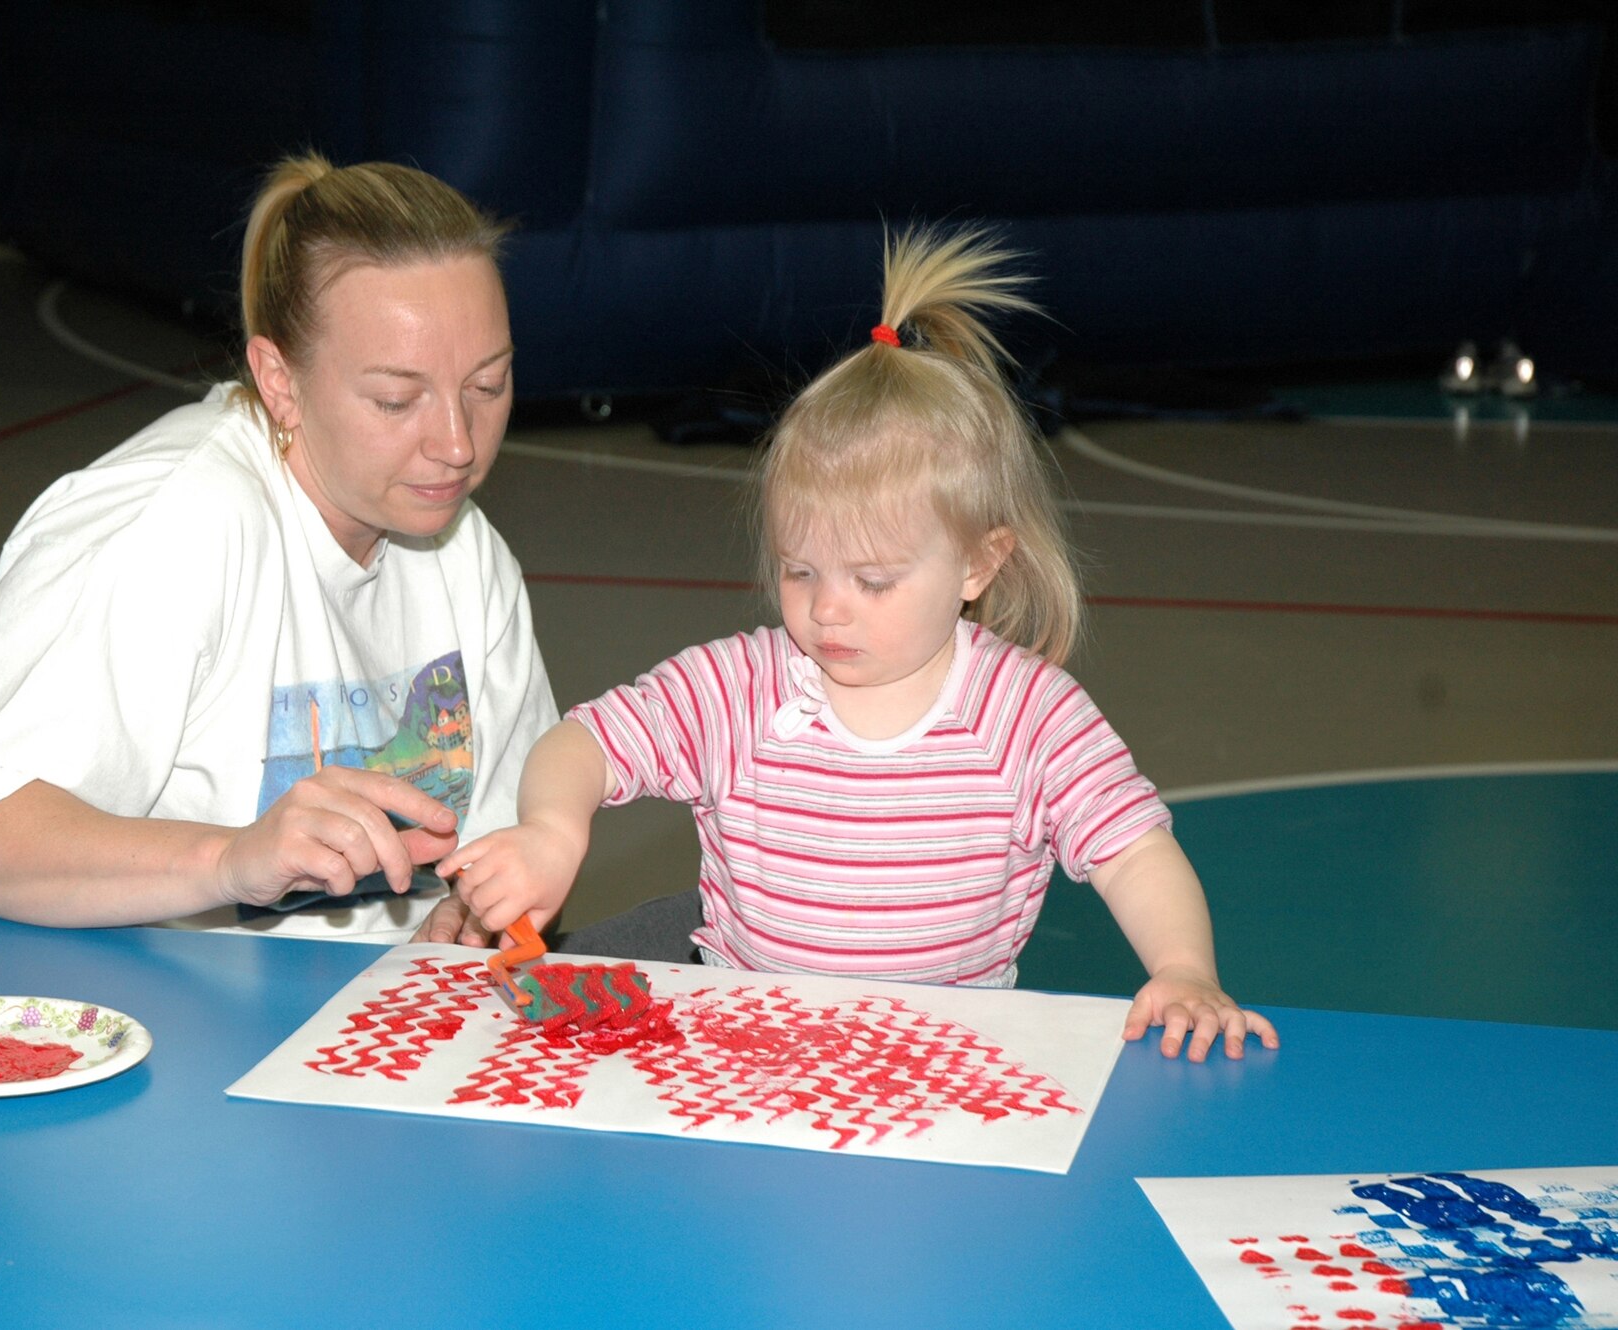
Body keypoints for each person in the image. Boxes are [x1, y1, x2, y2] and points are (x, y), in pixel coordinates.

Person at [442, 227, 1279, 1060]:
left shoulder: (1027, 714)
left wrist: (1183, 968)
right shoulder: (744, 687)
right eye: (800, 571)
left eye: (873, 582)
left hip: (942, 1063)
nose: (828, 612)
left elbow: (1134, 852)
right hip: (743, 1053)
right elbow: (583, 742)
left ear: (978, 564)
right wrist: (553, 830)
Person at [0, 153, 557, 944]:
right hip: (172, 1032)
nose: (455, 443)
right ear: (279, 381)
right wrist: (231, 859)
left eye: (488, 384)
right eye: (396, 399)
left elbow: (511, 831)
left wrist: (469, 915)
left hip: (364, 1030)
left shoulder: (462, 549)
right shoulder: (173, 527)